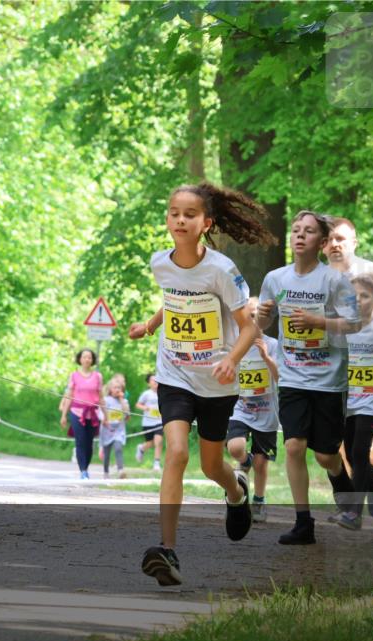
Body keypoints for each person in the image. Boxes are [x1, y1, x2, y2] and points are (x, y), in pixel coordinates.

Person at [129, 182, 275, 587]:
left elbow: (248, 325)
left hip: (216, 381)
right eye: (174, 212)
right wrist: (150, 325)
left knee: (212, 466)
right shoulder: (161, 262)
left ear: (206, 223)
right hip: (174, 374)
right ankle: (167, 549)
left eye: (190, 214)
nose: (180, 220)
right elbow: (174, 297)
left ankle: (236, 491)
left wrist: (231, 358)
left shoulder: (222, 270)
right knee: (175, 452)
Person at [256, 210, 362, 546]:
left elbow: (354, 323)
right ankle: (303, 523)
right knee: (293, 445)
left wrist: (318, 322)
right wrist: (261, 317)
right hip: (291, 378)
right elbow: (261, 326)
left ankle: (344, 489)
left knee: (326, 455)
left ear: (322, 241)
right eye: (296, 230)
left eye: (309, 231)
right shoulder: (275, 279)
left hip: (328, 380)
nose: (300, 235)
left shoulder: (334, 280)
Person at [325, 216, 373, 506]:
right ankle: (361, 495)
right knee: (339, 444)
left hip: (369, 368)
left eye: (340, 238)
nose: (334, 244)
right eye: (328, 240)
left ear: (354, 241)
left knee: (365, 447)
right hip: (333, 369)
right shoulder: (319, 278)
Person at [334, 274, 373, 529]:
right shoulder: (340, 331)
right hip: (349, 403)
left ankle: (353, 513)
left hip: (372, 403)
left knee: (359, 451)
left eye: (365, 296)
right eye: (354, 296)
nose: (358, 301)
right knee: (348, 453)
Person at [225, 297, 280, 523]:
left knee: (261, 462)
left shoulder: (274, 344)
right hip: (241, 407)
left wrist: (266, 357)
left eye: (258, 314)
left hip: (266, 411)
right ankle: (243, 462)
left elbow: (280, 378)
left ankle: (258, 499)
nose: (254, 318)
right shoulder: (234, 344)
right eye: (249, 314)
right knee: (235, 448)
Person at [59, 349, 104, 480]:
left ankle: (86, 467)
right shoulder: (74, 376)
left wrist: (105, 415)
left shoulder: (97, 376)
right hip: (77, 412)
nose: (87, 360)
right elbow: (69, 395)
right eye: (84, 357)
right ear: (80, 359)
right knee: (80, 441)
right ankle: (83, 470)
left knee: (89, 443)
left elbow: (101, 397)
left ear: (92, 360)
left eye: (89, 357)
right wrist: (63, 415)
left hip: (93, 413)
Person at [100, 374, 130, 479]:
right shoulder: (106, 400)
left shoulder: (124, 401)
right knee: (107, 453)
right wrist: (104, 419)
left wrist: (122, 400)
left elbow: (126, 414)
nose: (117, 389)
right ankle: (106, 472)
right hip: (107, 430)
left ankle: (120, 470)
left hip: (119, 430)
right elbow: (101, 412)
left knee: (118, 448)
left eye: (119, 388)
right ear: (110, 389)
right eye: (115, 387)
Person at [135, 373, 163, 472]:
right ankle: (141, 448)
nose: (155, 382)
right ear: (149, 383)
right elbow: (138, 404)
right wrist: (144, 407)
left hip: (159, 422)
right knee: (150, 443)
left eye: (157, 380)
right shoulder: (146, 394)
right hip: (147, 422)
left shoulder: (162, 393)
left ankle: (156, 463)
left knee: (158, 441)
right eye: (153, 380)